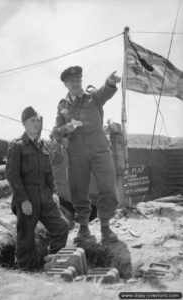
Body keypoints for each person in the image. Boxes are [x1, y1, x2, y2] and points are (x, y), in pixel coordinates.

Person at [52, 66, 121, 243]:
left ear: (81, 81)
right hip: (76, 153)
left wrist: (110, 82)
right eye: (72, 82)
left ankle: (105, 226)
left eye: (78, 80)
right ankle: (83, 227)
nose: (76, 84)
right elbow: (55, 133)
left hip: (99, 149)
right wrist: (67, 127)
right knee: (78, 190)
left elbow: (105, 92)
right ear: (66, 85)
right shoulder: (62, 106)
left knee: (108, 186)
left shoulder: (93, 97)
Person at [6, 106, 69, 270]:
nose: (36, 123)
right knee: (26, 237)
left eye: (37, 120)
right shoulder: (17, 146)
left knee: (61, 227)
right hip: (28, 196)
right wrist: (23, 199)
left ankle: (52, 262)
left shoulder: (43, 146)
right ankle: (25, 270)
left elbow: (49, 175)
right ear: (24, 124)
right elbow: (13, 175)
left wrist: (53, 194)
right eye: (32, 120)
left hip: (45, 196)